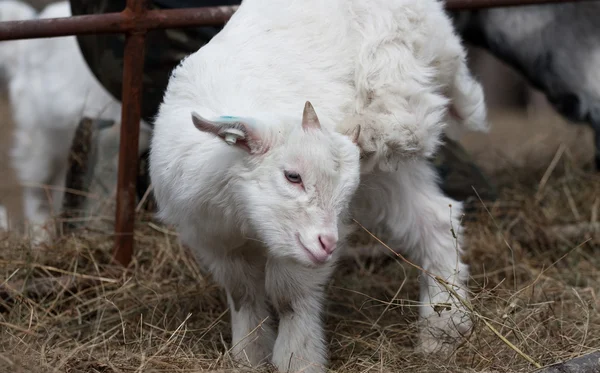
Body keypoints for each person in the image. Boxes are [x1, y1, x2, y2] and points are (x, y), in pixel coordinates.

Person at [69, 0, 497, 207]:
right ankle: (136, 181)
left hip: (163, 33)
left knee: (446, 183)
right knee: (284, 164)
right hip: (161, 30)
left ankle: (137, 176)